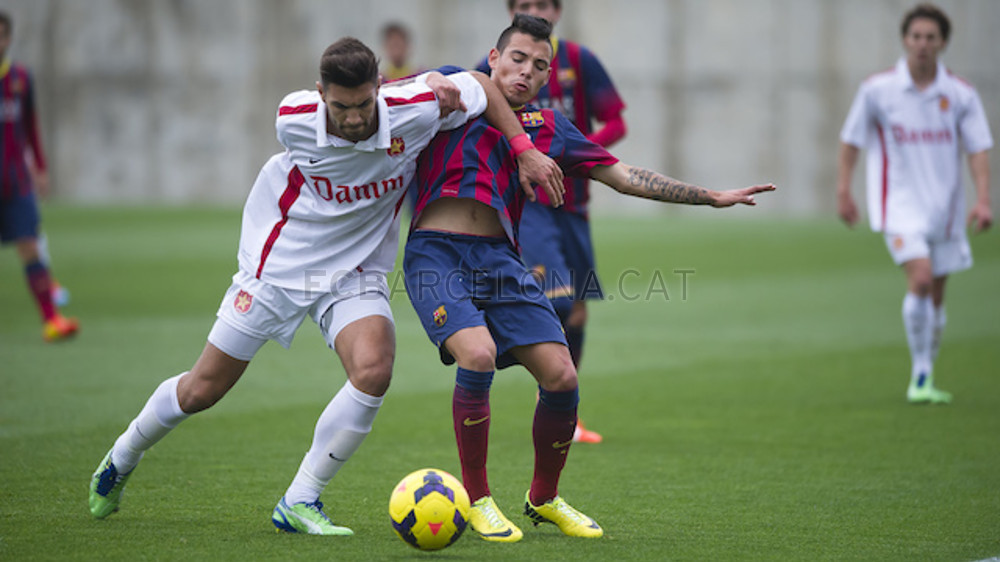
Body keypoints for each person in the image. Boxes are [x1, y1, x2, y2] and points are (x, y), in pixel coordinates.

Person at [87, 37, 565, 535]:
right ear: (320, 94)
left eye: (363, 105)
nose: (354, 119)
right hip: (279, 266)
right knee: (203, 388)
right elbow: (376, 99)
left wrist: (521, 148)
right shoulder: (293, 117)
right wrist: (418, 81)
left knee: (374, 368)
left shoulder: (413, 110)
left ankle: (300, 499)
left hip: (355, 269)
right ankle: (122, 457)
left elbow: (485, 87)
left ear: (379, 90)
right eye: (340, 107)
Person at [406, 14, 775, 542]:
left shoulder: (550, 128)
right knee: (479, 354)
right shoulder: (456, 92)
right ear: (493, 58)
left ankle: (544, 497)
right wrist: (426, 82)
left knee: (562, 376)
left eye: (540, 66)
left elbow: (624, 177)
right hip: (435, 255)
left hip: (500, 259)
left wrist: (710, 195)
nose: (527, 72)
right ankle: (478, 499)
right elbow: (393, 95)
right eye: (517, 59)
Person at [477, 0, 628, 444]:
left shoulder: (579, 61)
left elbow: (616, 120)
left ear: (557, 11)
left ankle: (567, 413)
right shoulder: (486, 70)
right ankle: (506, 351)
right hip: (527, 205)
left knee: (578, 306)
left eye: (541, 4)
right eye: (524, 4)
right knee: (558, 300)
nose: (534, 10)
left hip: (573, 203)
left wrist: (575, 154)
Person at [837, 3, 993, 405]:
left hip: (945, 208)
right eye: (916, 37)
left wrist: (984, 200)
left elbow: (977, 148)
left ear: (942, 43)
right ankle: (920, 377)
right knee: (921, 279)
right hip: (898, 206)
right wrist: (843, 190)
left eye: (931, 37)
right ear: (905, 40)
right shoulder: (878, 89)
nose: (922, 44)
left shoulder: (960, 94)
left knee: (937, 294)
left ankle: (925, 368)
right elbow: (851, 139)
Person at [0, 10, 78, 341]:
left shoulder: (19, 78)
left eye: (1, 35)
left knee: (31, 246)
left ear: (9, 38)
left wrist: (41, 169)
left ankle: (51, 319)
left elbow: (30, 126)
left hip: (15, 182)